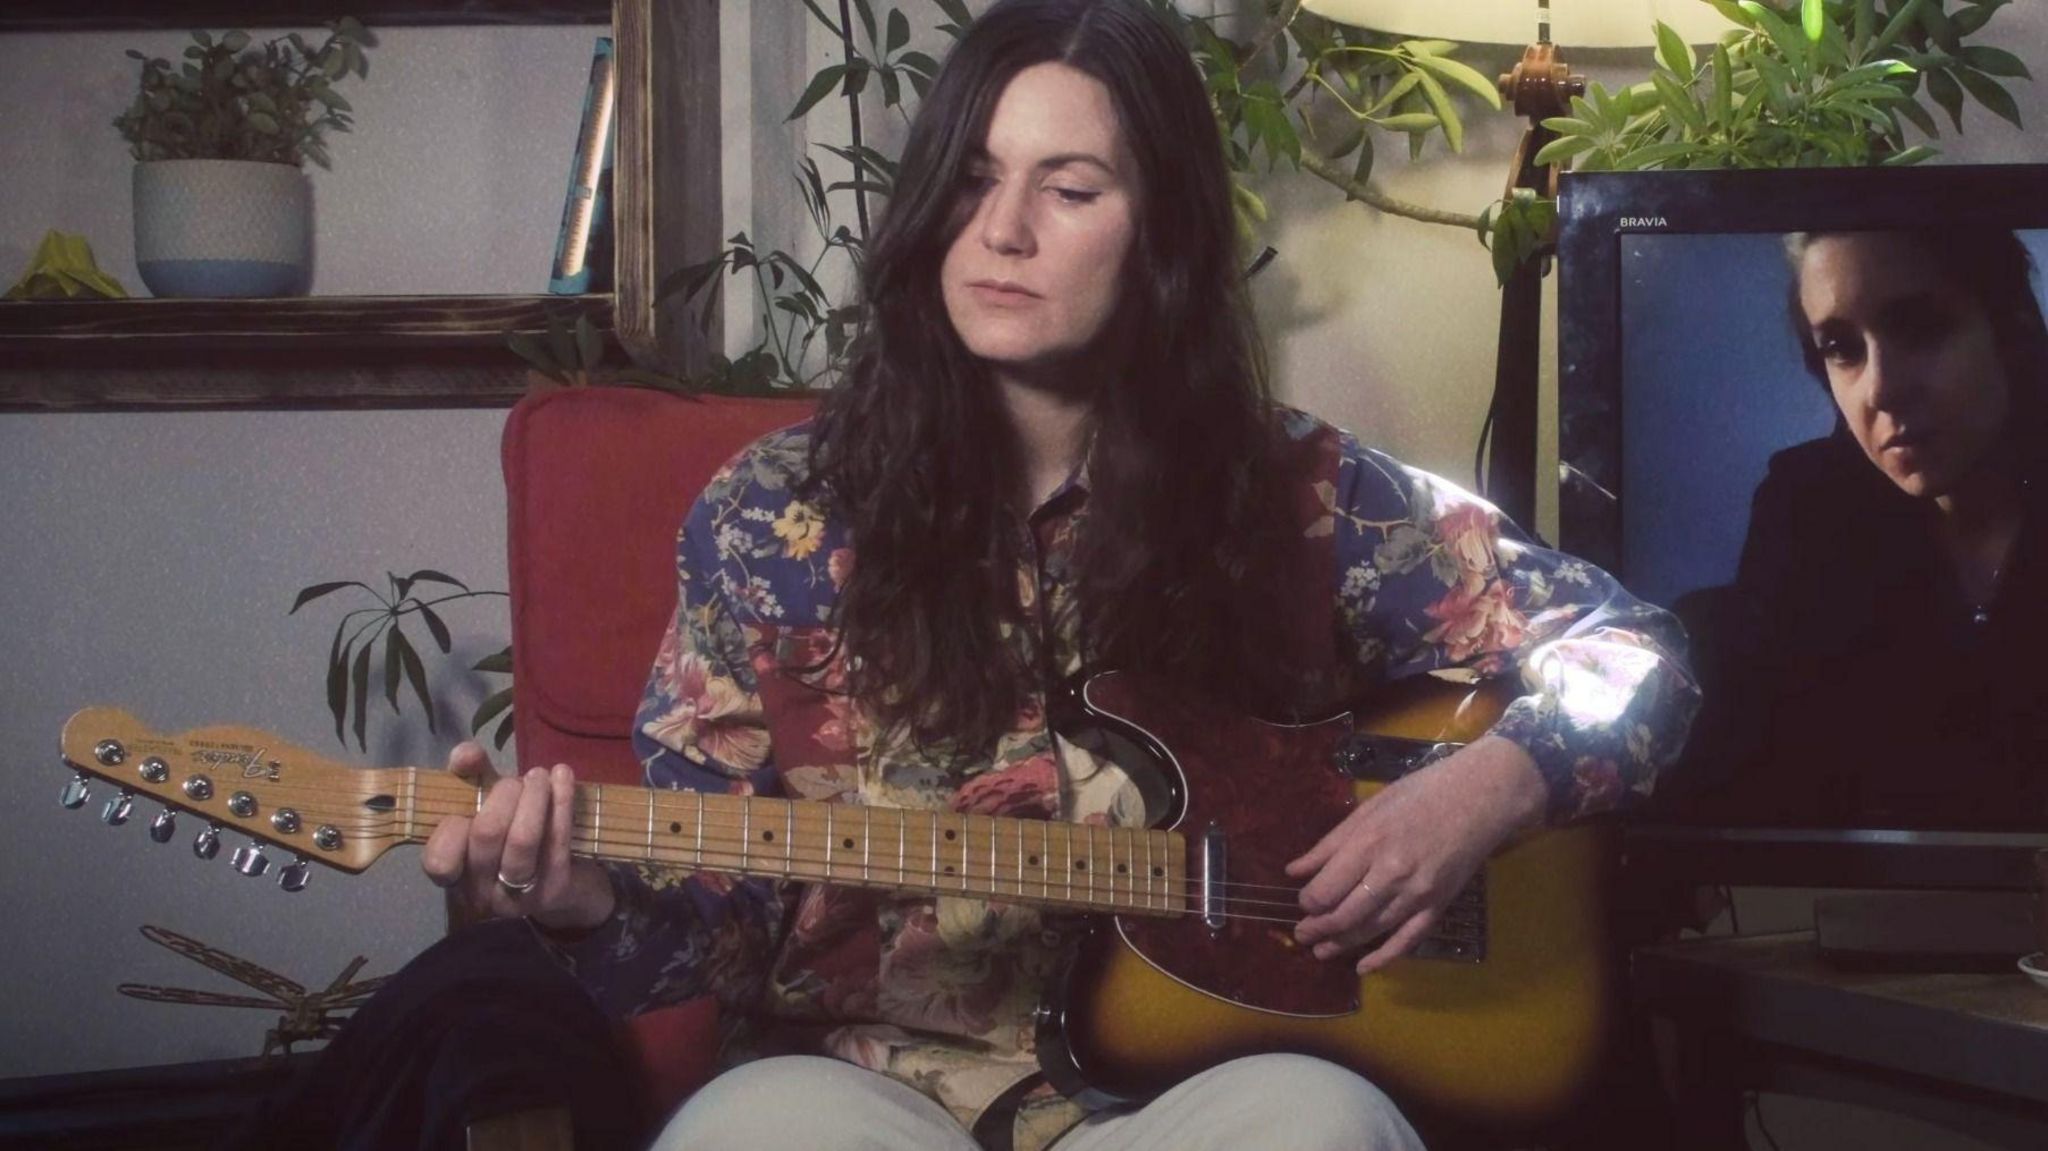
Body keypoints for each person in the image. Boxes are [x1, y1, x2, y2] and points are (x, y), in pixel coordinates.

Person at [421, 2, 1699, 1148]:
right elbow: (715, 923)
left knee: (1327, 1129)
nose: (1002, 230)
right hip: (858, 1088)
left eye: (1069, 188)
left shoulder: (1304, 497)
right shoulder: (771, 518)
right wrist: (584, 900)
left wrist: (1483, 786)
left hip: (1187, 1094)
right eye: (972, 179)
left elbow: (1637, 653)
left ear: (1162, 236)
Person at [1670, 228, 2047, 828]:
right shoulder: (1807, 507)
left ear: (2010, 328)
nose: (1882, 389)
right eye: (1842, 348)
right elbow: (1744, 775)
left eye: (1922, 328)